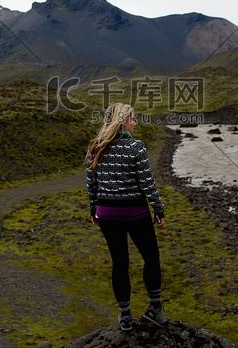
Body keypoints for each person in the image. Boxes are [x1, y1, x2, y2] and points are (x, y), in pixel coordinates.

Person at [86, 102, 168, 331]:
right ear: (123, 121)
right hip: (135, 212)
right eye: (133, 118)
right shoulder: (136, 147)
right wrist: (158, 209)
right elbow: (147, 183)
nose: (135, 122)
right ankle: (155, 310)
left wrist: (93, 209)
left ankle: (125, 316)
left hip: (106, 214)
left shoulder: (95, 147)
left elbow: (91, 183)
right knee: (151, 258)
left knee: (119, 262)